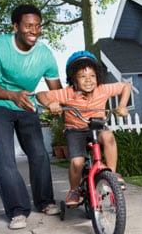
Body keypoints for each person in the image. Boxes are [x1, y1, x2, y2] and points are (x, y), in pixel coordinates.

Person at [0, 4, 61, 230]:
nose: (34, 30)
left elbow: (55, 89)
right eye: (28, 26)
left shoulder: (44, 54)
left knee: (39, 153)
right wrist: (12, 96)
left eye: (37, 26)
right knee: (5, 155)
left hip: (27, 103)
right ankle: (17, 210)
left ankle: (45, 201)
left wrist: (57, 103)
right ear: (15, 26)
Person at [36, 50, 131, 206]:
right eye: (82, 76)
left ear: (98, 77)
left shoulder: (103, 89)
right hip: (75, 130)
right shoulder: (67, 93)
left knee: (108, 137)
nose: (88, 80)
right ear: (74, 78)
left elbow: (126, 86)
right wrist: (50, 104)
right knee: (77, 162)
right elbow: (41, 94)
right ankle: (74, 190)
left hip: (97, 126)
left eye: (92, 76)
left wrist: (122, 106)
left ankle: (112, 176)